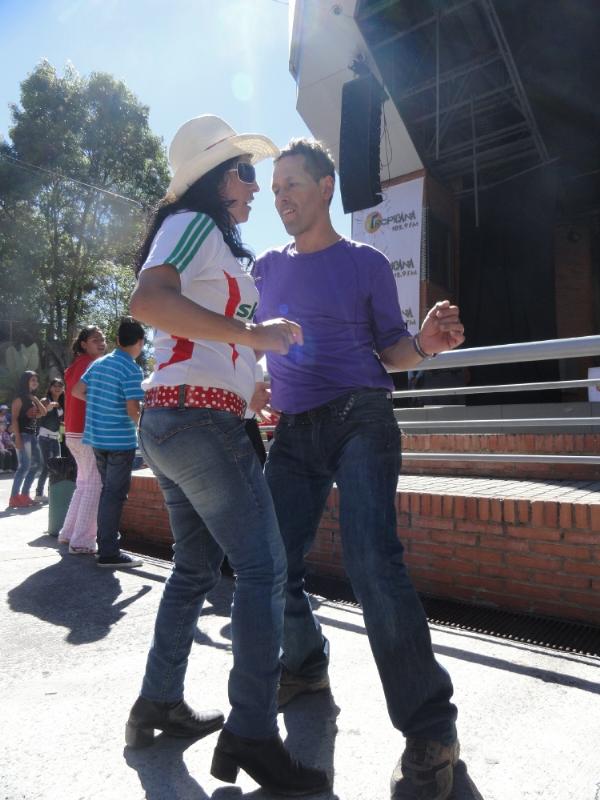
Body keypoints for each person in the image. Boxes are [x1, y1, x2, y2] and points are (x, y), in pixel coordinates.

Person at [253, 138, 465, 800]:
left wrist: (424, 346)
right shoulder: (265, 268)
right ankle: (305, 664)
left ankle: (431, 731)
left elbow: (392, 350)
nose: (281, 197)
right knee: (268, 563)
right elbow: (257, 342)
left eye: (292, 183)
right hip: (293, 430)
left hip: (360, 417)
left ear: (325, 187)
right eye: (275, 188)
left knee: (372, 559)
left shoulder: (366, 262)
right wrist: (254, 376)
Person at [127, 115, 329, 797]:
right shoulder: (193, 223)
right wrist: (255, 335)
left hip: (183, 417)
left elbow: (199, 337)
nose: (255, 186)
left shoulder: (207, 240)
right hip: (197, 422)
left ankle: (157, 702)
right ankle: (251, 731)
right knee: (264, 568)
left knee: (192, 568)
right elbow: (148, 301)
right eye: (245, 172)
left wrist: (250, 379)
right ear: (216, 179)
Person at [72, 318, 145, 568]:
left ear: (117, 340)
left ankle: (106, 546)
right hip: (120, 441)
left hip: (97, 439)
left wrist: (100, 402)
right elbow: (133, 409)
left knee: (108, 493)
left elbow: (77, 391)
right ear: (140, 342)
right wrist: (147, 431)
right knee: (114, 496)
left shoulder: (99, 363)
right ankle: (109, 552)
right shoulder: (132, 369)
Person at [58, 326, 106, 554]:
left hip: (73, 432)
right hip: (86, 432)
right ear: (84, 344)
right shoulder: (90, 364)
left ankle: (69, 534)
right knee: (94, 484)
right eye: (95, 339)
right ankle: (81, 542)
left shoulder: (76, 365)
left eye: (103, 338)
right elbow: (81, 393)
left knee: (84, 484)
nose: (102, 342)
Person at [9, 371, 46, 508]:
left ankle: (24, 495)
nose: (35, 382)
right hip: (22, 435)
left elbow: (43, 412)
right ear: (25, 381)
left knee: (37, 465)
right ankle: (14, 497)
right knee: (24, 466)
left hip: (32, 436)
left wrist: (35, 399)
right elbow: (14, 419)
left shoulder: (32, 399)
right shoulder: (19, 399)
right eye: (32, 380)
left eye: (36, 380)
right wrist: (18, 438)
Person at [34, 377, 65, 502]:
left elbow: (59, 421)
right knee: (47, 466)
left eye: (60, 386)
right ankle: (39, 493)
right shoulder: (45, 400)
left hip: (55, 438)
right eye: (55, 385)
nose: (57, 388)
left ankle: (53, 492)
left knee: (56, 466)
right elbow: (37, 416)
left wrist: (63, 426)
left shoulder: (62, 402)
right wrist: (47, 408)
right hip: (44, 437)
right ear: (50, 387)